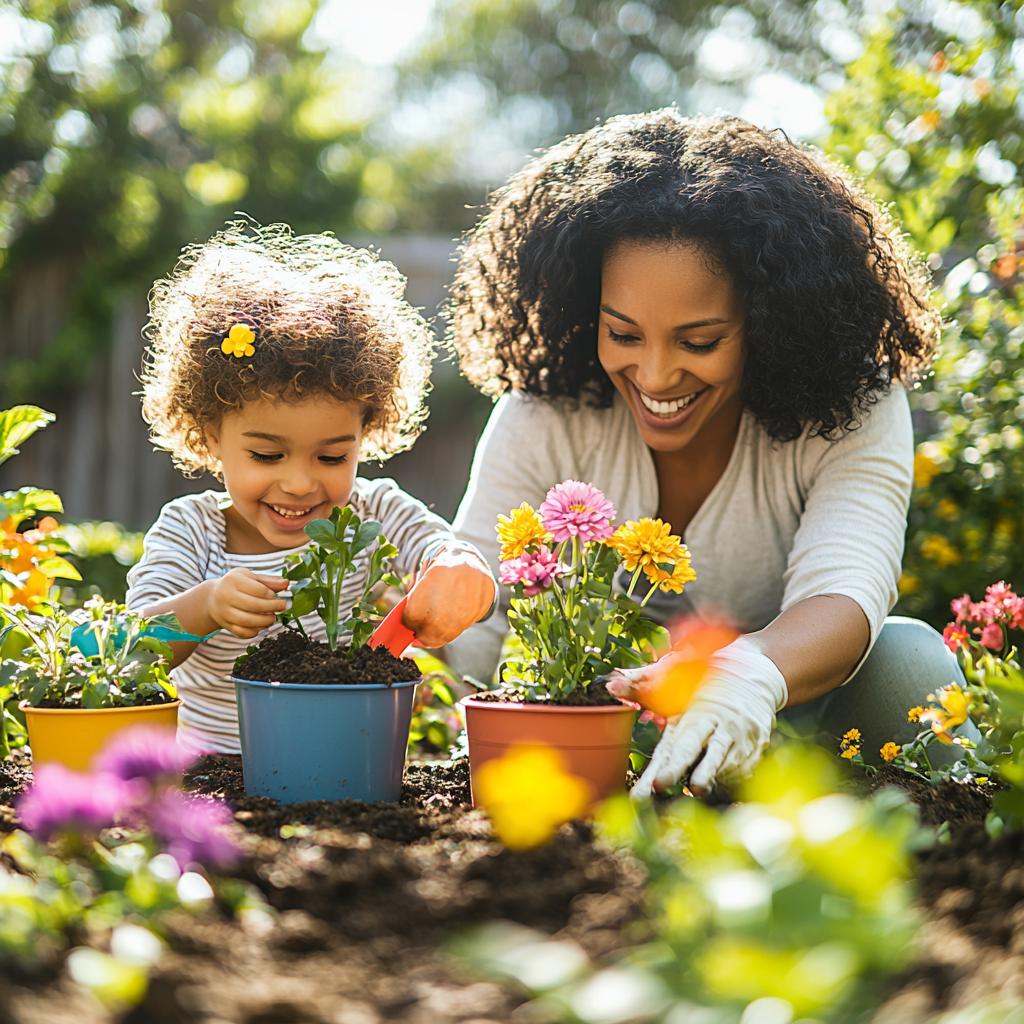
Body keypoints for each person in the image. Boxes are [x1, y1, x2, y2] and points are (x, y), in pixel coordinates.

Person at [446, 109, 965, 796]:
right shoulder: (546, 413)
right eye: (623, 335)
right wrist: (445, 727)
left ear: (771, 322)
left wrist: (742, 681)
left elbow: (846, 590)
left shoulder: (854, 410)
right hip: (595, 727)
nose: (656, 376)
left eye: (699, 342)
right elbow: (476, 612)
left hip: (784, 726)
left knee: (909, 661)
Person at [127, 221, 497, 755]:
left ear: (365, 435)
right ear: (212, 436)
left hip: (350, 771)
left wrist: (461, 568)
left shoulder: (375, 514)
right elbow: (131, 652)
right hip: (213, 782)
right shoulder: (192, 531)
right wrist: (205, 606)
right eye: (266, 455)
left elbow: (449, 555)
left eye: (331, 456)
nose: (300, 482)